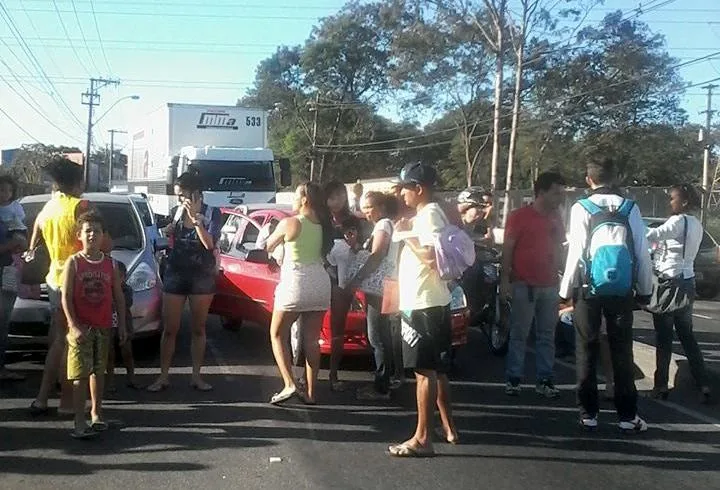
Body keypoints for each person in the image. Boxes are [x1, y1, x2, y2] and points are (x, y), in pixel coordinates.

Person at [560, 156, 653, 433]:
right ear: (615, 178)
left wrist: (565, 291)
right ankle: (627, 416)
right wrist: (645, 291)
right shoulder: (630, 208)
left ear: (589, 180)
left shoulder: (581, 207)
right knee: (621, 351)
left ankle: (588, 413)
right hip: (622, 291)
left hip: (588, 290)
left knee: (586, 350)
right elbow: (641, 254)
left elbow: (575, 253)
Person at [28, 157, 112, 416]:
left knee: (58, 341)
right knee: (71, 343)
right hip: (78, 279)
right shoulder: (81, 205)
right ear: (78, 182)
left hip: (54, 277)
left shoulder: (50, 205)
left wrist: (32, 248)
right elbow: (103, 243)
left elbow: (36, 229)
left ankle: (42, 398)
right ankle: (66, 402)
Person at [388, 161, 457, 457]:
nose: (402, 194)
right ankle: (449, 428)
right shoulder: (431, 213)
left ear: (419, 189)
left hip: (423, 303)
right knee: (436, 370)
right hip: (431, 300)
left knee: (424, 371)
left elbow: (431, 257)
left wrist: (406, 234)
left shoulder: (427, 216)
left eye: (405, 188)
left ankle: (422, 439)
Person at [147, 172, 222, 393]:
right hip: (176, 271)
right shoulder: (176, 212)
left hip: (202, 275)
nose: (180, 199)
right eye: (178, 195)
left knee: (198, 328)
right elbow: (168, 238)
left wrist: (197, 219)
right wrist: (170, 229)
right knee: (170, 328)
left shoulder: (212, 213)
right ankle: (163, 377)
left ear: (196, 192)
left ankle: (196, 377)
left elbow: (210, 244)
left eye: (183, 195)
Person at [264, 183, 332, 405]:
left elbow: (267, 245)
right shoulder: (325, 225)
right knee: (312, 341)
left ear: (304, 199)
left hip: (296, 282)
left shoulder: (290, 223)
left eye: (295, 196)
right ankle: (311, 393)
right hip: (320, 283)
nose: (293, 199)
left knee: (277, 334)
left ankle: (289, 383)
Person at [501, 172, 566, 398]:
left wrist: (564, 278)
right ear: (541, 192)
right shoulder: (519, 216)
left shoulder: (557, 217)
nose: (560, 198)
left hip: (550, 285)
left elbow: (559, 247)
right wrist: (505, 281)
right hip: (523, 285)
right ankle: (513, 379)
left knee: (547, 334)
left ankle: (545, 380)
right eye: (556, 193)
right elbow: (508, 248)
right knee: (520, 333)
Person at [62, 211, 126, 438]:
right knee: (79, 375)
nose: (92, 235)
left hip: (103, 327)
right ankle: (79, 423)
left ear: (103, 236)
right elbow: (66, 297)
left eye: (96, 231)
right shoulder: (74, 263)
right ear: (79, 235)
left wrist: (123, 326)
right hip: (81, 330)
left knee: (98, 372)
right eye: (87, 231)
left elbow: (118, 296)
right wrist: (74, 325)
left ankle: (96, 414)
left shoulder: (110, 264)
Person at [647, 184, 711, 404]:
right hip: (687, 281)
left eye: (672, 198)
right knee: (687, 336)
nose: (669, 202)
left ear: (683, 202)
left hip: (669, 282)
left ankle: (661, 385)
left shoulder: (676, 222)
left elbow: (653, 234)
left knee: (664, 337)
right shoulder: (696, 224)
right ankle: (703, 382)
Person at [348, 191, 396, 401]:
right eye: (364, 207)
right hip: (388, 286)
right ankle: (388, 378)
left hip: (380, 288)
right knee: (383, 335)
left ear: (382, 207)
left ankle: (381, 386)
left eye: (370, 207)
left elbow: (376, 256)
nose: (366, 212)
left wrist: (357, 278)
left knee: (377, 336)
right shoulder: (385, 224)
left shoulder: (383, 225)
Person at [324, 180, 362, 391]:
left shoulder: (353, 221)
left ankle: (333, 374)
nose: (336, 201)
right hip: (320, 278)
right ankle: (304, 376)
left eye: (340, 196)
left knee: (338, 328)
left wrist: (354, 244)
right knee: (309, 328)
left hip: (343, 282)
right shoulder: (320, 221)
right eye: (332, 196)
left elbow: (362, 252)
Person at [0, 175, 27, 381]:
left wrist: (18, 243)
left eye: (7, 191)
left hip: (7, 271)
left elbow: (23, 241)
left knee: (3, 322)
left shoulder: (16, 211)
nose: (3, 194)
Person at [106, 261, 137, 392]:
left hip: (124, 324)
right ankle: (110, 382)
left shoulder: (127, 290)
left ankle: (131, 378)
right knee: (109, 354)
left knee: (127, 352)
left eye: (118, 277)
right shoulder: (105, 290)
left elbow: (127, 303)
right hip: (108, 325)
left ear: (124, 277)